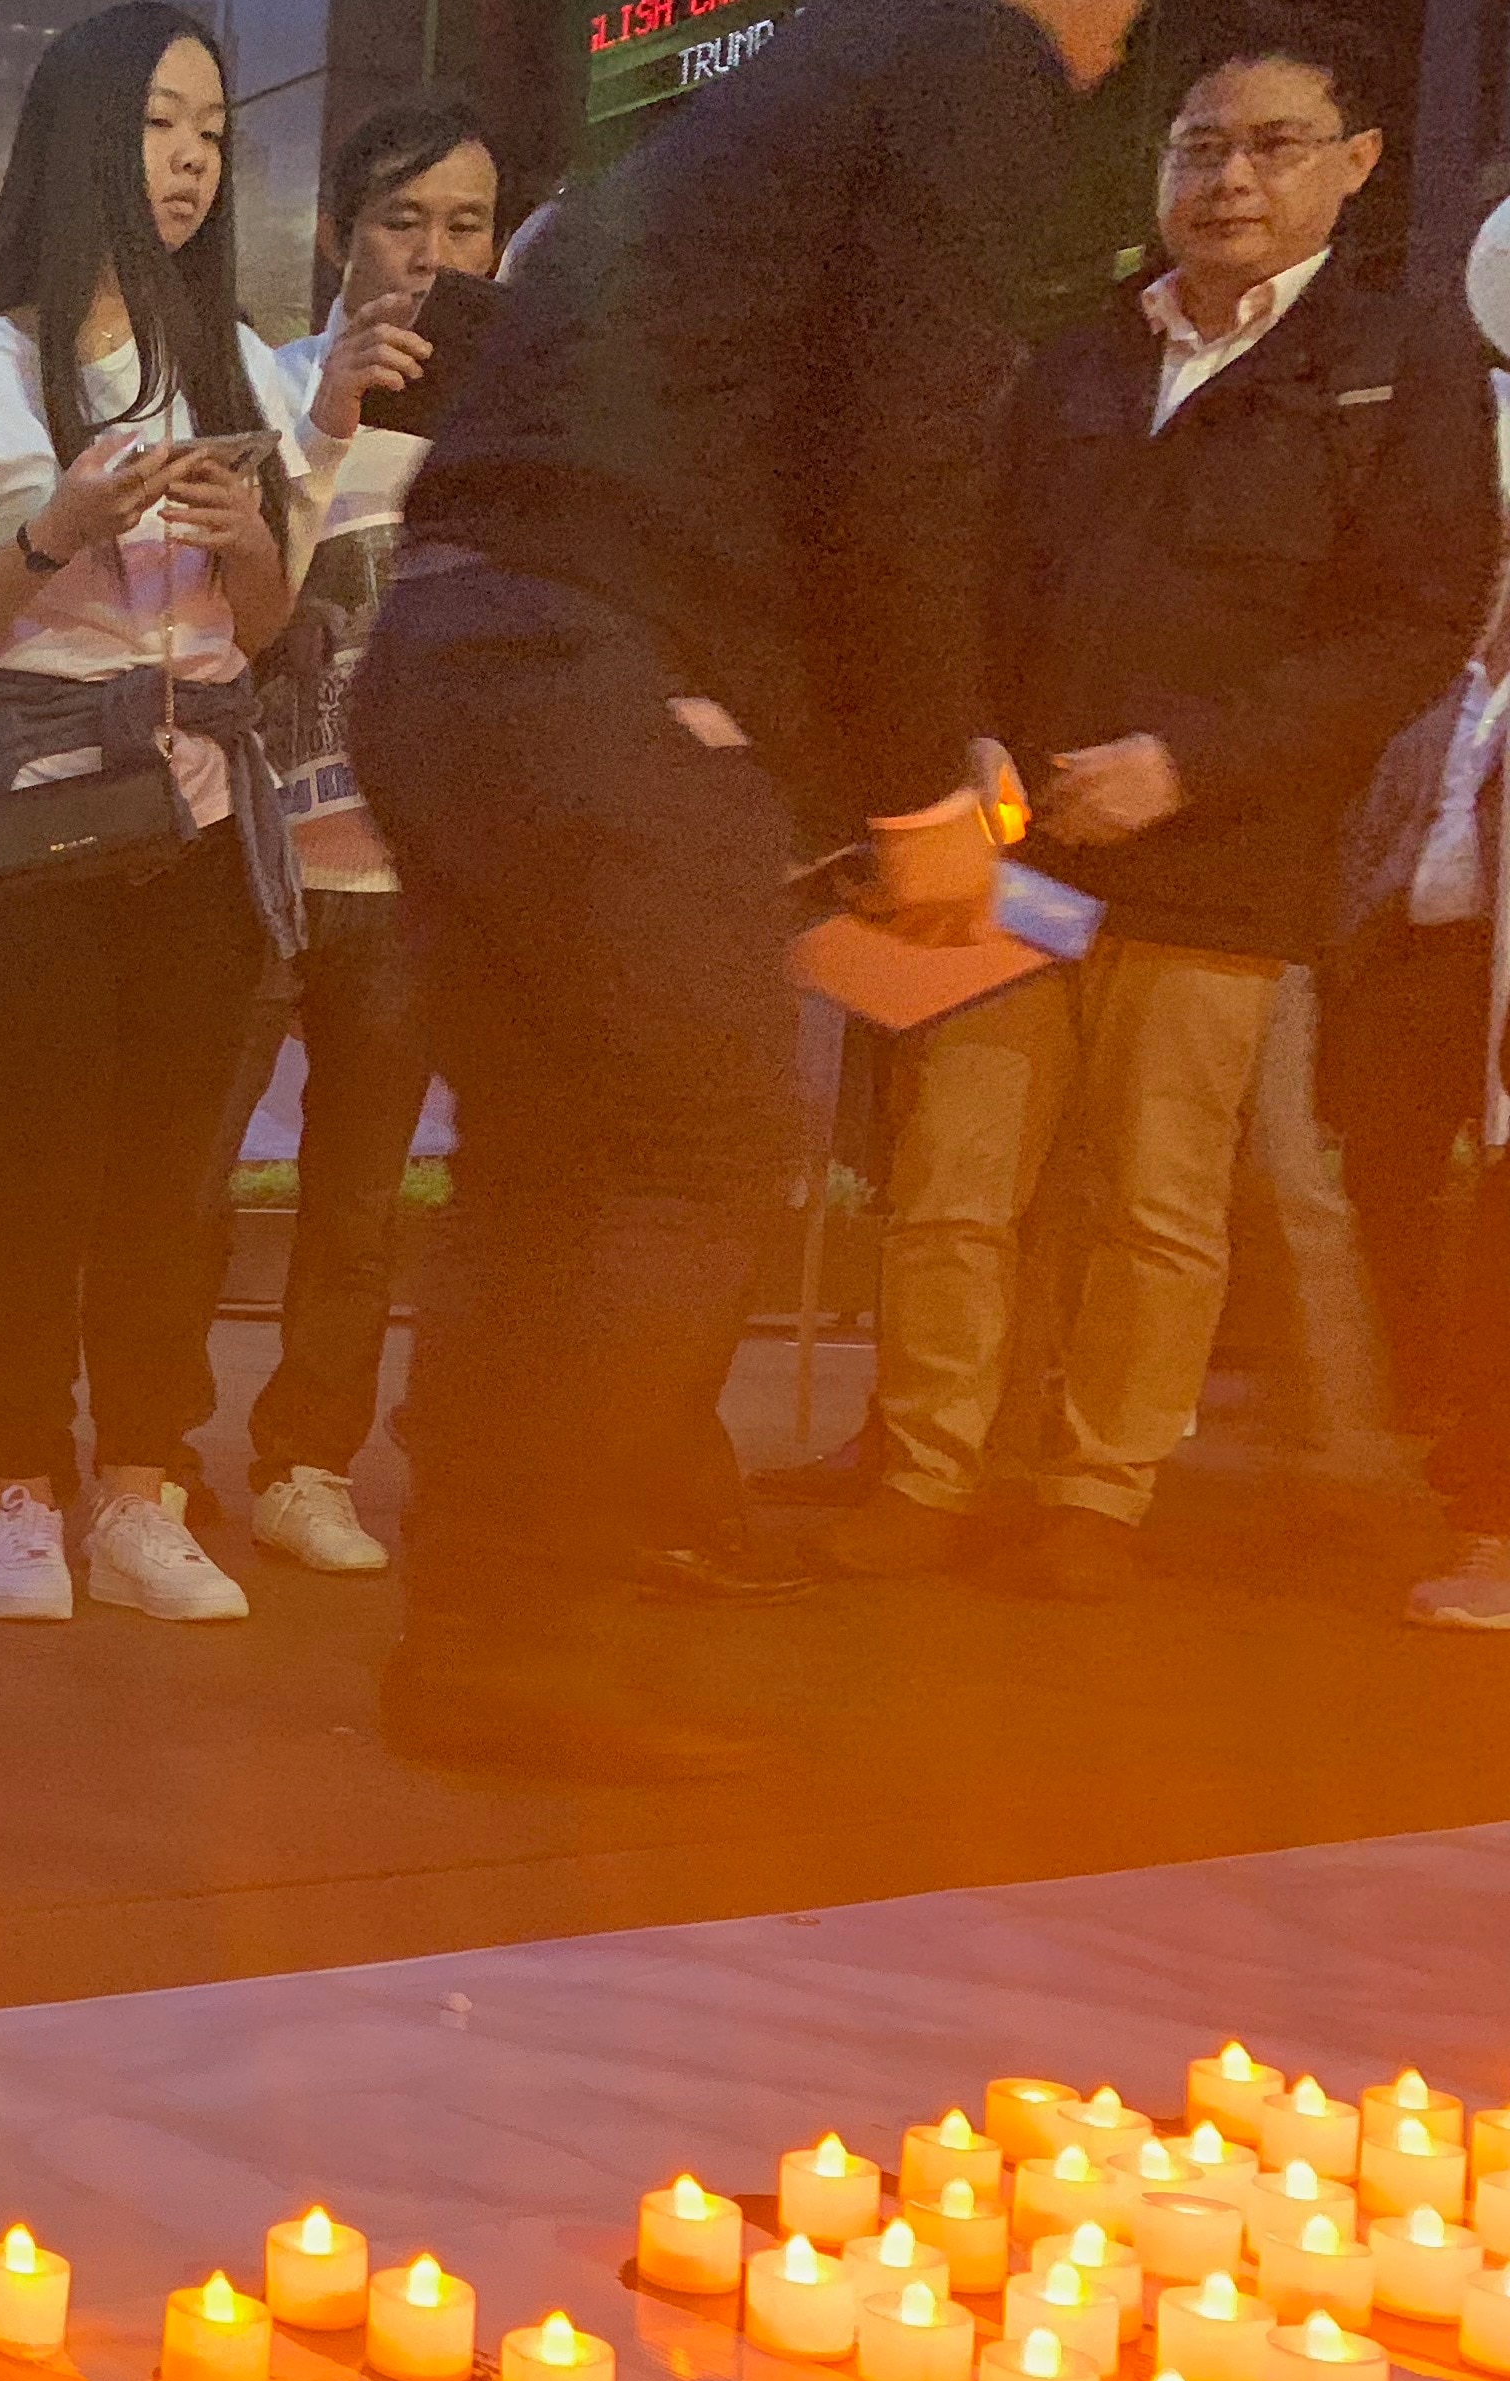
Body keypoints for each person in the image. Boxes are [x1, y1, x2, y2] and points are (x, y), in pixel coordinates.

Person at [349, 0, 1147, 1777]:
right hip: (595, 660)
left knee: (544, 1159)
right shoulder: (970, 69)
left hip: (460, 639)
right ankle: (536, 1622)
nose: (1125, 46)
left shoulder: (782, 99)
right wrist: (915, 783)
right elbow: (896, 448)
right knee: (685, 1146)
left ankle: (483, 1631)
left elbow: (758, 445)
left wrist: (875, 757)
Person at [832, 13, 1491, 1599]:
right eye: (1200, 146)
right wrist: (966, 733)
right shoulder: (1076, 350)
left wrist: (1190, 766)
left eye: (1272, 146)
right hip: (1016, 847)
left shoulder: (1401, 370)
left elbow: (1408, 625)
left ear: (1356, 166)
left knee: (1159, 1200)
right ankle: (925, 1473)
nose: (1231, 180)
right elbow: (961, 569)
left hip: (1226, 859)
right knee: (955, 1182)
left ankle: (1095, 1497)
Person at [0, 3, 316, 1630]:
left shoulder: (239, 362)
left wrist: (246, 538)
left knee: (168, 1184)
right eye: (156, 126)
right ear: (78, 142)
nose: (188, 162)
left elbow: (267, 627)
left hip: (197, 820)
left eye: (209, 130)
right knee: (31, 1177)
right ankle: (19, 1494)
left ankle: (143, 1486)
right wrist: (53, 530)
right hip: (40, 833)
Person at [241, 89, 498, 1578]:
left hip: (410, 877)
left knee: (356, 1199)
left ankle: (306, 1461)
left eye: (465, 225)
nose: (432, 256)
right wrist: (329, 421)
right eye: (404, 221)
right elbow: (233, 598)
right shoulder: (265, 386)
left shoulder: (513, 401)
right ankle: (120, 1466)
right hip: (254, 855)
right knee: (178, 1171)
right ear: (341, 230)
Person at [1325, 578, 1510, 1628]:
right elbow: (1375, 818)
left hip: (1491, 963)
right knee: (1382, 1179)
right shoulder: (1432, 686)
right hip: (1410, 958)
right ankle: (1438, 1395)